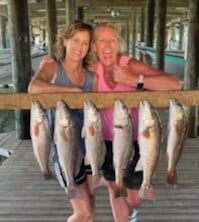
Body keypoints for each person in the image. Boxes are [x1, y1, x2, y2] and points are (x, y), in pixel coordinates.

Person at [89, 22, 181, 222]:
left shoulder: (128, 64)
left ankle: (131, 211)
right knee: (115, 189)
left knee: (134, 198)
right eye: (101, 40)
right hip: (104, 140)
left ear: (118, 43)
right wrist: (51, 64)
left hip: (137, 139)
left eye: (112, 40)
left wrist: (134, 80)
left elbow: (174, 83)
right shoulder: (90, 68)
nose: (107, 45)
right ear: (94, 46)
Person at [28, 21, 98, 222]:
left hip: (89, 148)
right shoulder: (53, 68)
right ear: (65, 40)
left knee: (91, 207)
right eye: (75, 40)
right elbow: (34, 87)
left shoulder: (91, 77)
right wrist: (73, 92)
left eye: (85, 43)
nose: (79, 47)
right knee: (82, 212)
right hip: (65, 151)